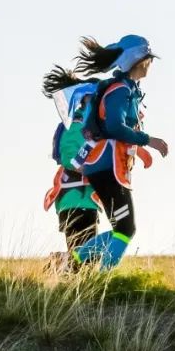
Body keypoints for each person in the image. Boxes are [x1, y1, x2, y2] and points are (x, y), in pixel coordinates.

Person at [68, 35, 168, 270]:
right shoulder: (121, 91)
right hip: (106, 166)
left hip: (104, 166)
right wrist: (149, 140)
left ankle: (72, 266)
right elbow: (114, 127)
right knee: (125, 229)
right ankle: (101, 281)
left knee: (121, 229)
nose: (151, 63)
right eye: (149, 58)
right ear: (139, 60)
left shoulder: (125, 90)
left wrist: (140, 150)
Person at [41, 66, 102, 271]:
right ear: (85, 99)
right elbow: (69, 157)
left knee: (87, 258)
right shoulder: (75, 125)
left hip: (87, 199)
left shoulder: (92, 127)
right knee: (86, 258)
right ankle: (56, 266)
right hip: (74, 198)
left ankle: (58, 265)